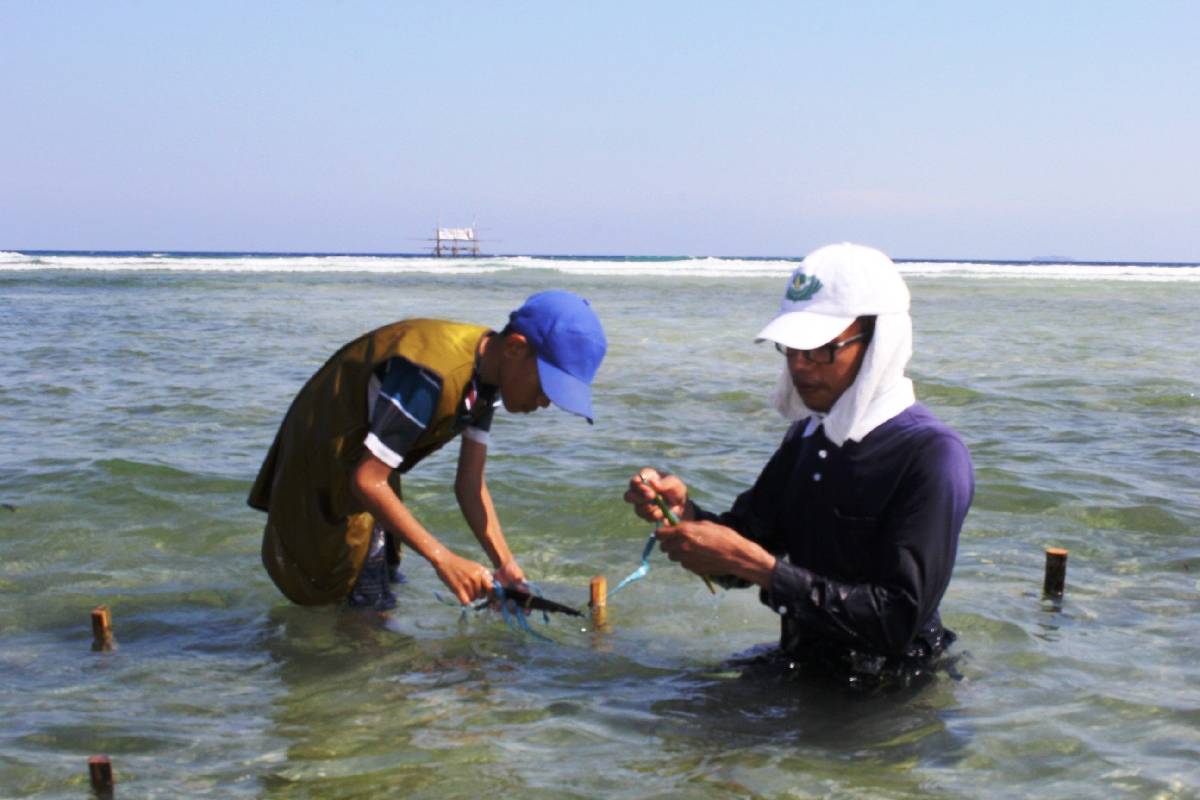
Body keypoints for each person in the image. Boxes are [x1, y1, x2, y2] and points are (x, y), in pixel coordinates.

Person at [625, 243, 973, 679]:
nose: (801, 367)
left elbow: (898, 621)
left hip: (890, 686)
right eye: (791, 350)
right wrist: (685, 515)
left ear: (879, 343)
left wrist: (758, 567)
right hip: (806, 662)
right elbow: (750, 542)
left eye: (821, 350)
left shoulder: (931, 454)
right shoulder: (809, 436)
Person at [250, 290, 607, 610]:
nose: (546, 402)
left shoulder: (489, 378)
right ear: (515, 348)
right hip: (324, 472)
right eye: (548, 387)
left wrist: (505, 566)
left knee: (382, 592)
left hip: (368, 475)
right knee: (360, 616)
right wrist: (443, 559)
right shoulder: (428, 375)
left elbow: (470, 485)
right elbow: (367, 480)